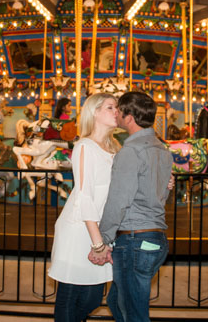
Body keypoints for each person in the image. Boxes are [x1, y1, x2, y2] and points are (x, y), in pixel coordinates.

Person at [89, 91, 173, 322]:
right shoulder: (163, 151)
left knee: (134, 313)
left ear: (129, 118)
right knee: (117, 301)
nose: (116, 114)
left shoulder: (130, 152)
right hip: (156, 240)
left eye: (120, 110)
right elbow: (162, 193)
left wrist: (102, 241)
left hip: (135, 240)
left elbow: (118, 200)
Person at [48, 93, 121, 322]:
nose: (116, 111)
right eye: (110, 107)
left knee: (92, 297)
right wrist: (97, 242)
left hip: (101, 229)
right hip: (80, 228)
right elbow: (84, 195)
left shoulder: (115, 148)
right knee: (71, 295)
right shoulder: (85, 146)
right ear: (95, 112)